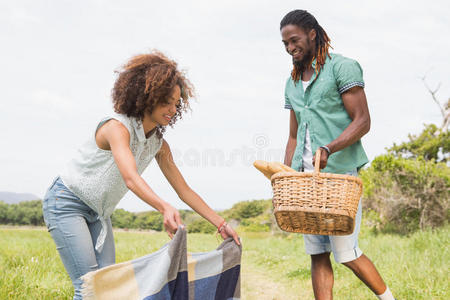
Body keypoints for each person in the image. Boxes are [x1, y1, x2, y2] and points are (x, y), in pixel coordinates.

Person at [42, 50, 240, 300]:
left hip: (99, 214)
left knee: (108, 287)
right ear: (148, 95)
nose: (172, 109)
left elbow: (184, 189)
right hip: (66, 203)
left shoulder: (158, 143)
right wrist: (163, 207)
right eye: (166, 101)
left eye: (177, 103)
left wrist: (221, 224)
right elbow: (131, 178)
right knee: (90, 286)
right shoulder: (116, 128)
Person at [280, 10, 395, 300]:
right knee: (317, 254)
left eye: (294, 40)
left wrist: (330, 147)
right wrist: (285, 175)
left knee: (347, 253)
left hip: (339, 177)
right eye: (285, 44)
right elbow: (294, 135)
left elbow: (362, 120)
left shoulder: (342, 67)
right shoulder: (292, 82)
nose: (290, 48)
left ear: (312, 34)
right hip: (306, 180)